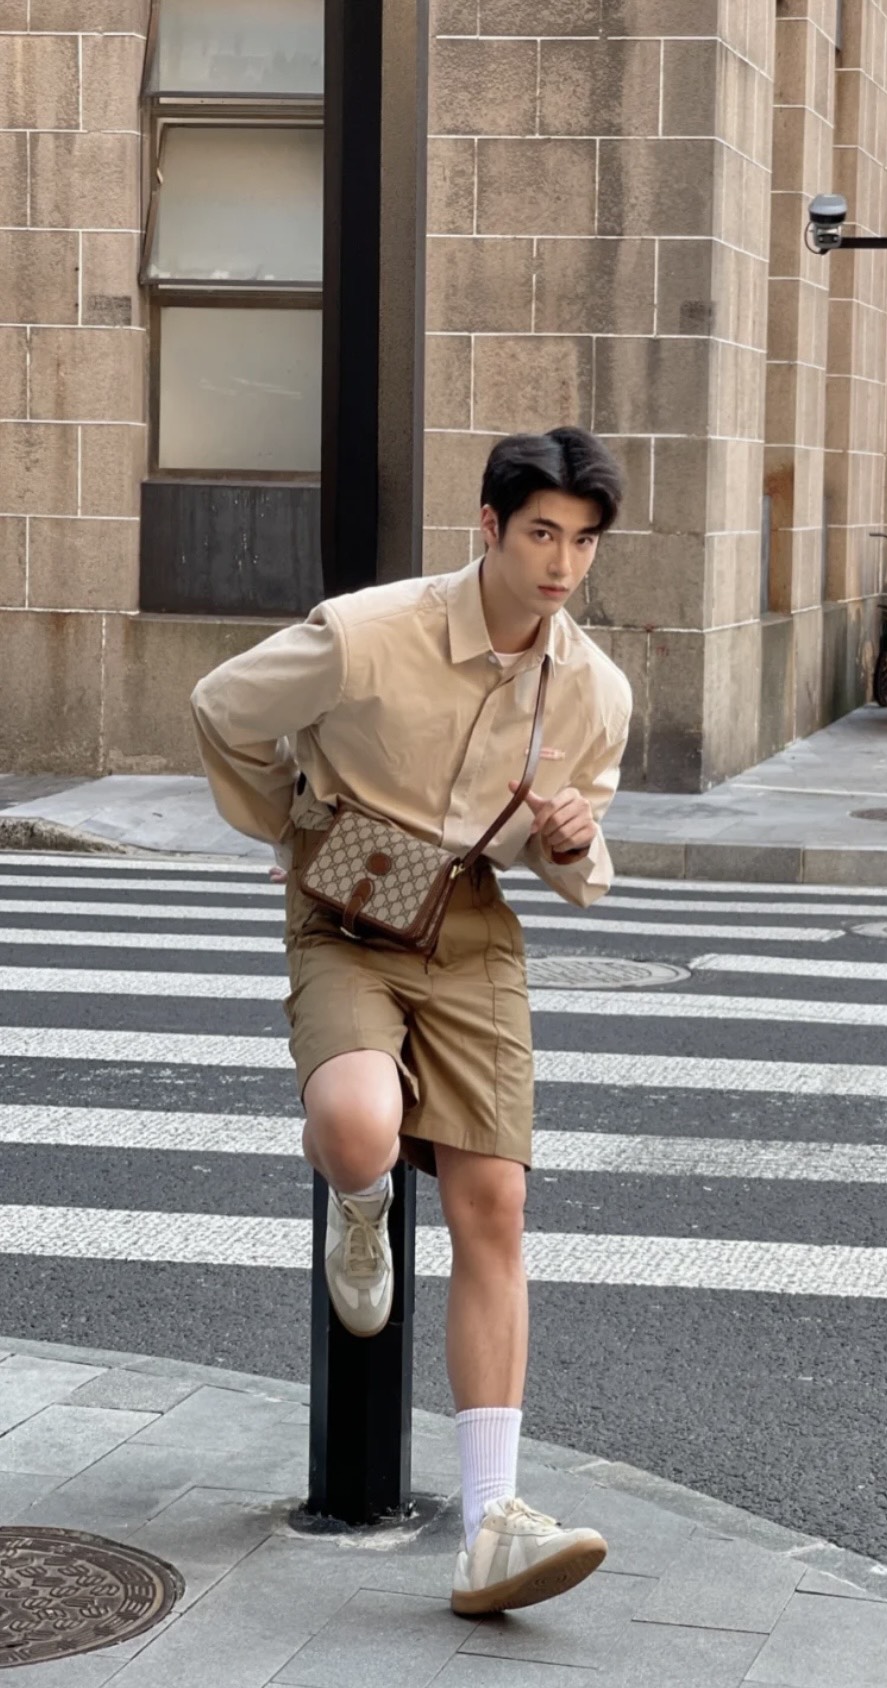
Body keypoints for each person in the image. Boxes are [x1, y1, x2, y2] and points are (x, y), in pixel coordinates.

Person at [189, 427, 633, 1616]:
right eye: (540, 533)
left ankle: (490, 1523)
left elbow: (577, 859)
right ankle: (361, 1202)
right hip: (348, 904)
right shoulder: (366, 633)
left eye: (582, 541)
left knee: (495, 1201)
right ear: (488, 526)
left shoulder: (592, 688)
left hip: (469, 922)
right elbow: (222, 706)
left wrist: (571, 840)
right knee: (355, 1123)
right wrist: (291, 823)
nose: (561, 564)